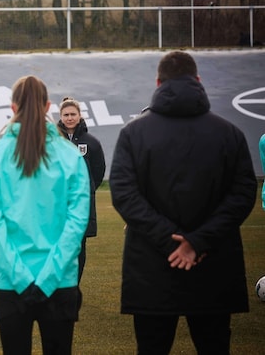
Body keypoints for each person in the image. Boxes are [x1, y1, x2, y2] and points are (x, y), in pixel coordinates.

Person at [109, 51, 256, 355]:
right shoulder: (230, 134)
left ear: (158, 82)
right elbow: (243, 194)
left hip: (151, 265)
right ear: (198, 80)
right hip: (213, 265)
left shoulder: (133, 133)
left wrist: (169, 240)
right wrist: (197, 242)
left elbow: (123, 193)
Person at [0, 75, 90, 354]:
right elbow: (76, 226)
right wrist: (49, 278)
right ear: (48, 106)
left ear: (13, 108)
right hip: (60, 281)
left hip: (11, 283)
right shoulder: (70, 156)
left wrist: (21, 278)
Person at [56, 97, 105, 304]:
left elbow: (98, 172)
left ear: (79, 116)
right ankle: (58, 287)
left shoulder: (91, 142)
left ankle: (73, 288)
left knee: (78, 245)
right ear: (60, 117)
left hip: (81, 204)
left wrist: (85, 190)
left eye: (72, 114)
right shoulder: (53, 141)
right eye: (65, 114)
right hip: (56, 204)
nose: (69, 118)